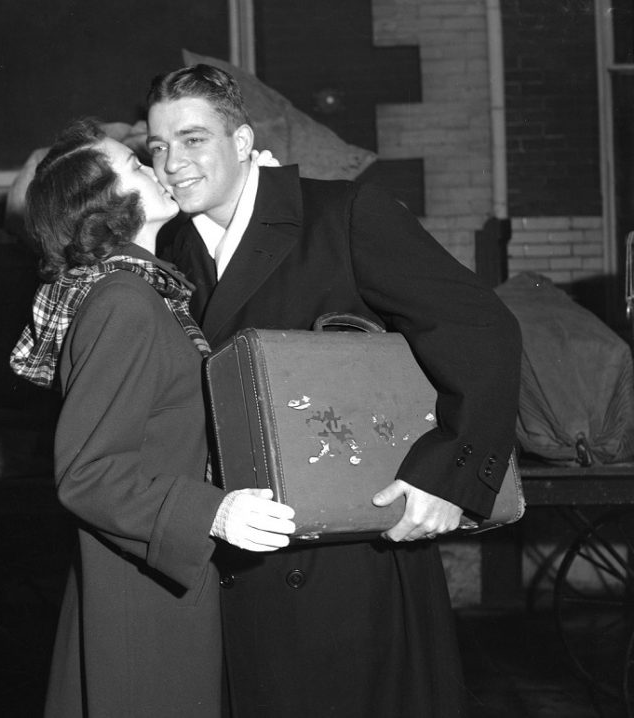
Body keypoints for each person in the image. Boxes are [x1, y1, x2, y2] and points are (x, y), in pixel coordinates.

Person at [146, 64, 522, 718]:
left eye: (193, 139)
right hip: (228, 565)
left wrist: (447, 476)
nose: (172, 161)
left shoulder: (339, 214)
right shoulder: (168, 245)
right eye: (158, 146)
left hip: (353, 569)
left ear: (241, 142)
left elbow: (481, 326)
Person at [10, 118, 297, 718]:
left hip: (162, 570)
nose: (159, 168)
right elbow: (88, 475)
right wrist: (213, 511)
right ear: (104, 205)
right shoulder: (123, 302)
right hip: (146, 591)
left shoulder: (140, 290)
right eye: (137, 164)